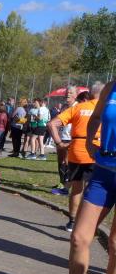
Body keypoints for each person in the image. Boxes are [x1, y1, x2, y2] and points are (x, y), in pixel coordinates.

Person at [46, 79, 116, 274]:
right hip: (103, 172)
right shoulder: (110, 88)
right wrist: (88, 141)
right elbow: (96, 117)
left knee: (115, 242)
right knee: (78, 237)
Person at [48, 84, 102, 232]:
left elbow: (52, 124)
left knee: (77, 188)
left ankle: (72, 222)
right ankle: (87, 223)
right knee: (93, 189)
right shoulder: (105, 109)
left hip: (77, 150)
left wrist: (59, 144)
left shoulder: (78, 108)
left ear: (90, 94)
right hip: (97, 150)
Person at [51, 86, 79, 196]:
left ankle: (66, 185)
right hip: (61, 136)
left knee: (67, 161)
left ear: (76, 95)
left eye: (71, 92)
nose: (68, 94)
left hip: (71, 137)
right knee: (60, 160)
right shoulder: (64, 107)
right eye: (67, 92)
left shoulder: (78, 107)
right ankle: (61, 183)